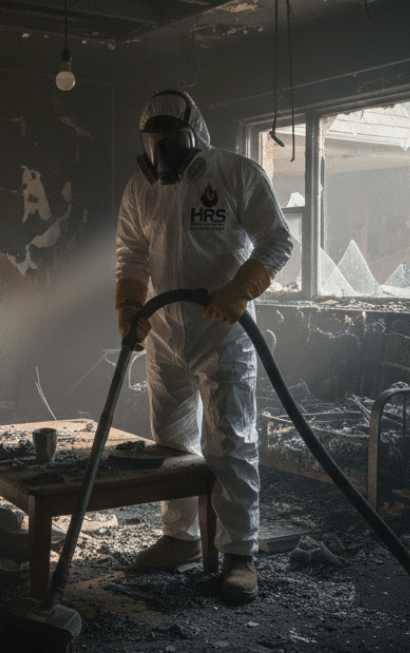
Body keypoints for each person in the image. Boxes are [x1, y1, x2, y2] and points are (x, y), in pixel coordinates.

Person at [115, 89, 293, 603]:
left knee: (229, 442)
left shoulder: (237, 174)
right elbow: (131, 254)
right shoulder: (140, 189)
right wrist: (128, 308)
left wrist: (239, 290)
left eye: (174, 141)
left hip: (223, 329)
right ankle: (181, 537)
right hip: (166, 332)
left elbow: (276, 241)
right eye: (155, 144)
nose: (165, 154)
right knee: (170, 442)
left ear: (197, 137)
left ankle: (239, 552)